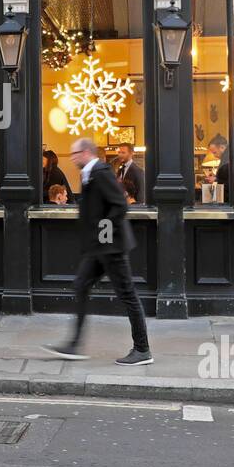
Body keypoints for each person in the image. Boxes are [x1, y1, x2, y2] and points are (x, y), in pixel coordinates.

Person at [43, 138, 152, 366]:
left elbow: (118, 206)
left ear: (85, 152)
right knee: (81, 285)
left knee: (128, 295)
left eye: (74, 154)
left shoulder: (101, 171)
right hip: (100, 247)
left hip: (111, 247)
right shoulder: (90, 174)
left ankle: (142, 349)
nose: (72, 158)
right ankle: (74, 345)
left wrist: (103, 237)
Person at [207, 135, 234, 203]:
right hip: (232, 201)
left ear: (222, 147)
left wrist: (216, 180)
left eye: (214, 152)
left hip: (232, 202)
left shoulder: (231, 160)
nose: (214, 156)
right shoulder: (230, 158)